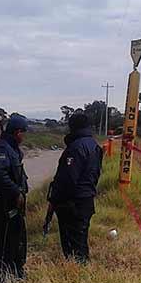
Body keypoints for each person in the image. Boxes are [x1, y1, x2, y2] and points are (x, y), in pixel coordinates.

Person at [49, 112, 103, 263]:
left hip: (72, 203)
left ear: (72, 127)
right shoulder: (94, 146)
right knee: (81, 242)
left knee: (72, 247)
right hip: (86, 200)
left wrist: (56, 201)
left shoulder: (75, 147)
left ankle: (76, 277)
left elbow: (68, 180)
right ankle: (81, 273)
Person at [0, 114, 29, 283]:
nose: (24, 136)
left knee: (16, 240)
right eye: (23, 133)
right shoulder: (2, 150)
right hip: (4, 203)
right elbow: (0, 176)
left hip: (13, 202)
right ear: (17, 132)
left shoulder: (13, 149)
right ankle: (0, 281)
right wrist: (17, 192)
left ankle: (15, 273)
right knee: (4, 243)